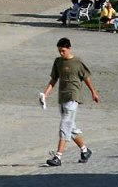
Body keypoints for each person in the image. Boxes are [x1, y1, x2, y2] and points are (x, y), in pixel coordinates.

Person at [42, 37, 99, 167]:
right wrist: (46, 94)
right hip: (62, 97)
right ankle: (85, 150)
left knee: (64, 125)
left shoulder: (77, 62)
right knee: (70, 127)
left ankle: (58, 157)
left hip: (73, 96)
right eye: (59, 51)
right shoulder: (58, 62)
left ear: (69, 48)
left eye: (63, 51)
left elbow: (86, 78)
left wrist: (93, 92)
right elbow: (53, 80)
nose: (61, 53)